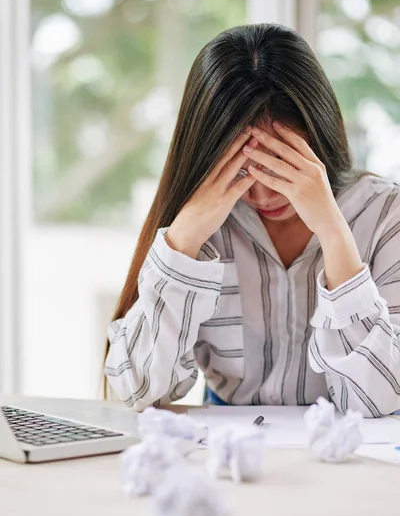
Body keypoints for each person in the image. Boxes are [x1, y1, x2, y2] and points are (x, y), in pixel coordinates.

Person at [104, 23, 400, 417]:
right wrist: (183, 244)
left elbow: (378, 401)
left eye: (279, 164)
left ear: (319, 137)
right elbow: (138, 391)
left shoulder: (384, 215)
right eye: (241, 169)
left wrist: (333, 233)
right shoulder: (200, 224)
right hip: (230, 454)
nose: (262, 194)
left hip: (349, 455)